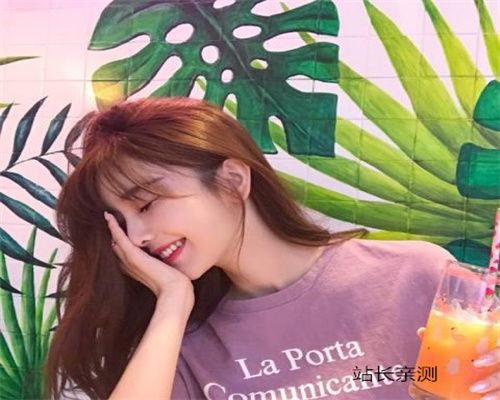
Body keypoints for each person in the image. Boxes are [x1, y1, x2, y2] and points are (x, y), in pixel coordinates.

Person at [44, 97, 500, 400]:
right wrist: (171, 305)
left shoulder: (413, 276)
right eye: (122, 222)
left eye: (146, 203)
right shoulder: (183, 344)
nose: (138, 235)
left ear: (232, 180)